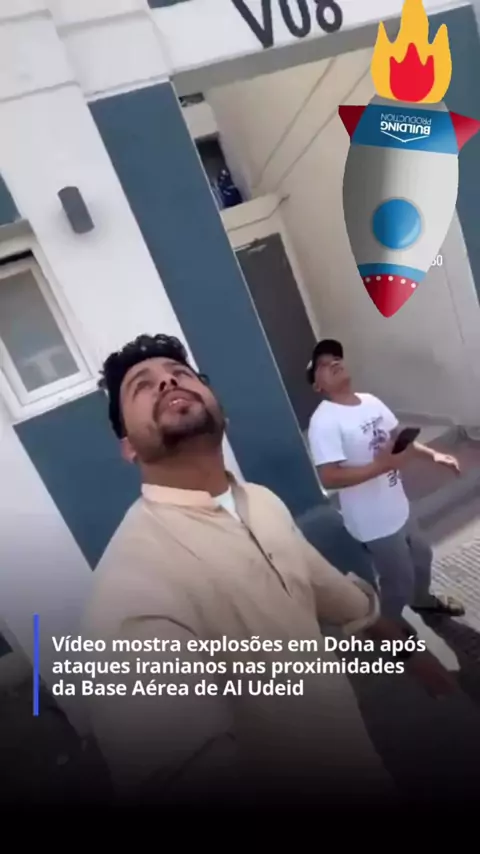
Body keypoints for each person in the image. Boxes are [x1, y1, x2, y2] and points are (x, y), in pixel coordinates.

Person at [84, 333, 456, 809]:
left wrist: (410, 652)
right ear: (128, 448)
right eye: (142, 384)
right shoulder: (129, 586)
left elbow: (334, 593)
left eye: (181, 374)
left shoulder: (261, 502)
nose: (168, 383)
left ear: (220, 409)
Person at [306, 338, 464, 621]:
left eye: (336, 358)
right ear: (318, 386)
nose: (333, 363)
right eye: (323, 365)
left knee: (422, 557)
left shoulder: (370, 401)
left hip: (399, 506)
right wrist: (382, 466)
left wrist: (434, 455)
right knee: (398, 582)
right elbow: (328, 477)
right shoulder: (324, 421)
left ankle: (423, 600)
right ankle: (390, 628)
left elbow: (398, 438)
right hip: (373, 523)